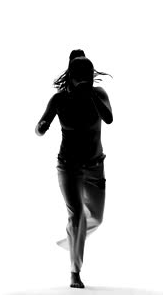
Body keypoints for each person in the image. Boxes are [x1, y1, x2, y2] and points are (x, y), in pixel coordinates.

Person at [35, 50, 113, 288]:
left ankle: (73, 235)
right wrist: (43, 125)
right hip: (68, 167)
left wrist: (90, 93)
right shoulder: (60, 100)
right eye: (82, 77)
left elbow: (108, 118)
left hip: (95, 166)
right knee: (77, 215)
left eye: (89, 76)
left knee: (96, 218)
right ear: (72, 77)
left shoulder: (98, 94)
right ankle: (74, 272)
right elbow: (39, 129)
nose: (85, 80)